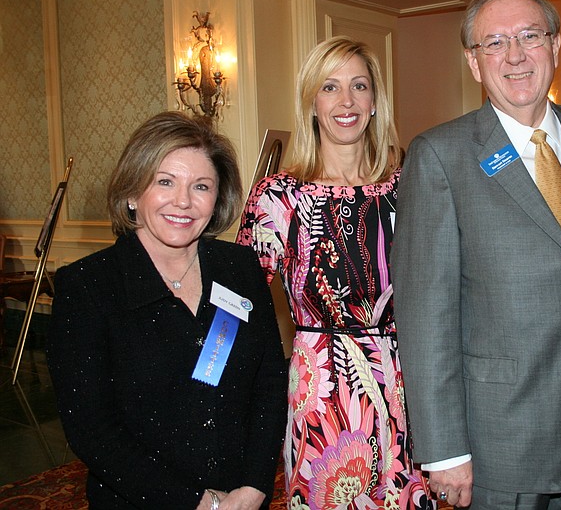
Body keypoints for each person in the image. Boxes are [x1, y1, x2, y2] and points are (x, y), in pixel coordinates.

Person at [392, 0, 561, 509]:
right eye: (494, 43)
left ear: (555, 45)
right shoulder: (440, 156)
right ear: (473, 64)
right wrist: (444, 448)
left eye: (529, 36)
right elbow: (424, 315)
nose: (516, 55)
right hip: (500, 438)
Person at [47, 112, 288, 509]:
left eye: (201, 186)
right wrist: (199, 502)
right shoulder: (88, 287)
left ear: (217, 198)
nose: (183, 201)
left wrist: (255, 485)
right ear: (131, 193)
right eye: (165, 182)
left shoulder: (240, 269)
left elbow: (269, 381)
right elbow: (91, 429)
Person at [237, 36, 433, 509]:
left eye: (358, 86)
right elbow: (238, 306)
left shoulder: (409, 187)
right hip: (318, 388)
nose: (346, 101)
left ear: (374, 102)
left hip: (401, 380)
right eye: (330, 87)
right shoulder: (277, 197)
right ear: (311, 101)